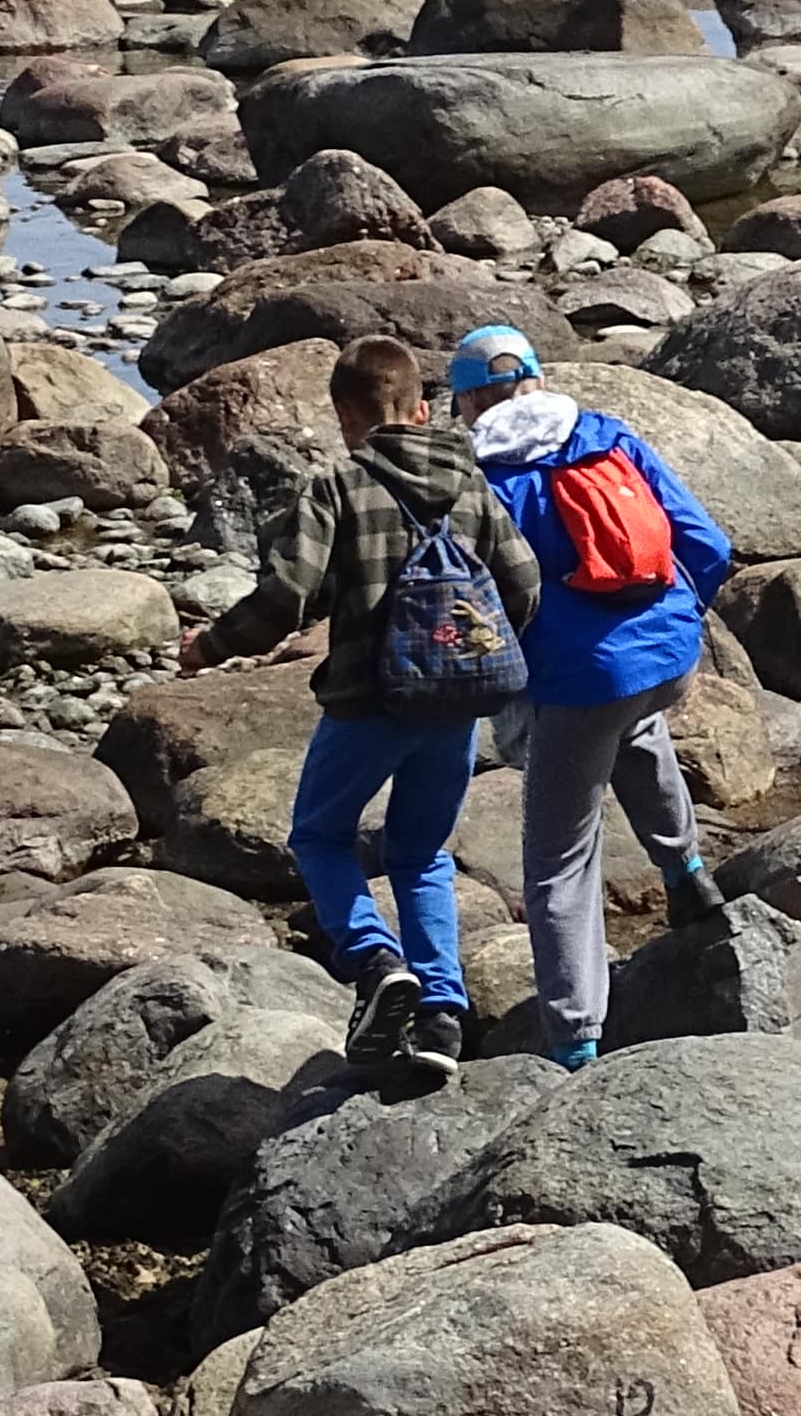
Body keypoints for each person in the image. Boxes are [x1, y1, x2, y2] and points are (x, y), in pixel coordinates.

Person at [186, 333, 539, 1091]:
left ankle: (375, 960)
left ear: (346, 415)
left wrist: (211, 646)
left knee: (318, 834)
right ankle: (442, 1013)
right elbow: (525, 583)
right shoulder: (471, 484)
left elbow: (289, 594)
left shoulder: (341, 486)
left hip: (367, 701)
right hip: (455, 705)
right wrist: (473, 651)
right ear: (420, 405)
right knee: (421, 855)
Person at [450, 326, 735, 1071]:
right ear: (538, 381)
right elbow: (706, 543)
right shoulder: (605, 437)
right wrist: (675, 620)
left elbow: (473, 602)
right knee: (634, 722)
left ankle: (576, 1041)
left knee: (557, 859)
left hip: (578, 686)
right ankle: (686, 876)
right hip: (667, 654)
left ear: (471, 398)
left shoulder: (478, 479)